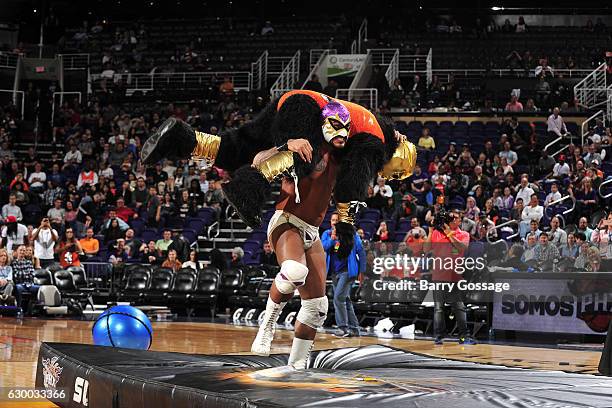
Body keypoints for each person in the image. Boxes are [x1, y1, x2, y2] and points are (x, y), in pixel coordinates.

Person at [141, 88, 415, 369]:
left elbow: (360, 161)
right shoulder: (311, 148)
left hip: (310, 231)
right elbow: (263, 158)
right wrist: (285, 144)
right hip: (287, 222)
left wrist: (393, 135)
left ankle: (297, 365)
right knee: (296, 271)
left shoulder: (344, 152)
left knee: (317, 307)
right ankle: (267, 323)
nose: (341, 136)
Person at [423, 210, 475, 345]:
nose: (453, 219)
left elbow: (462, 247)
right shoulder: (436, 233)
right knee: (439, 308)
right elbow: (426, 249)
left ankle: (464, 336)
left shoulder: (464, 234)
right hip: (438, 275)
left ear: (459, 221)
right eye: (450, 218)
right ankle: (439, 336)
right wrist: (430, 231)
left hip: (454, 276)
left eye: (455, 218)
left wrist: (448, 233)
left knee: (459, 307)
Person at [323, 211, 365, 337]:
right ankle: (355, 328)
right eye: (332, 220)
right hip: (335, 273)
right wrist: (332, 239)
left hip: (348, 271)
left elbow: (361, 251)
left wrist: (362, 271)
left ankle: (343, 327)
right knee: (345, 299)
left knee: (338, 298)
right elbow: (323, 247)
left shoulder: (351, 234)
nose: (334, 222)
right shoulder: (327, 234)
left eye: (337, 220)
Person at [12, 245, 38, 311]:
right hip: (20, 284)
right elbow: (16, 276)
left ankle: (36, 309)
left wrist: (22, 273)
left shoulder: (29, 262)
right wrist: (26, 273)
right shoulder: (14, 262)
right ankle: (19, 308)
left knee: (41, 288)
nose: (22, 252)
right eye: (20, 250)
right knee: (18, 288)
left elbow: (32, 275)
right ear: (17, 251)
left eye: (24, 250)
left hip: (30, 284)